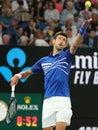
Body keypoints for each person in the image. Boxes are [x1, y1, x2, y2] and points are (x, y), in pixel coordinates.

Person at [10, 18, 92, 130]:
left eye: (64, 40)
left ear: (65, 44)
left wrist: (83, 28)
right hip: (48, 101)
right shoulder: (43, 61)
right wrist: (18, 75)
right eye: (59, 38)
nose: (62, 41)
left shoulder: (67, 56)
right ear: (53, 41)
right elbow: (28, 72)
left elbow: (74, 45)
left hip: (62, 100)